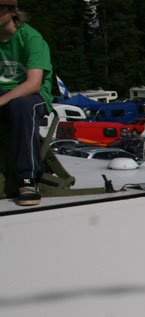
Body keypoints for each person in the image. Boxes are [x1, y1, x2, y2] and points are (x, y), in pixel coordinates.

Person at [0, 0, 53, 207]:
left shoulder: (31, 38)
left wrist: (2, 100)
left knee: (21, 107)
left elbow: (33, 84)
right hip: (4, 93)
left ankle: (27, 179)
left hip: (33, 95)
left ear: (11, 11)